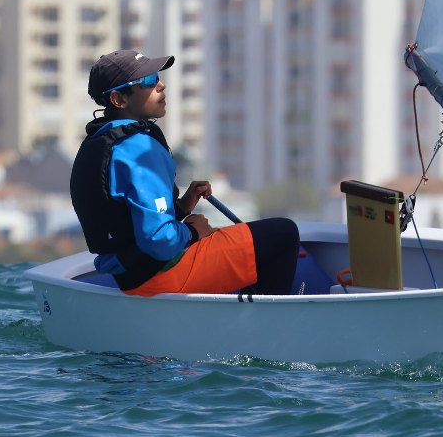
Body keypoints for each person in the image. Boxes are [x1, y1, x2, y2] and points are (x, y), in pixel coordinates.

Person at [70, 49, 299, 296]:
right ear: (118, 99)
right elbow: (159, 240)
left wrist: (182, 207)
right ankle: (266, 325)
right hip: (161, 275)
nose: (161, 84)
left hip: (132, 275)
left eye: (157, 76)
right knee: (283, 233)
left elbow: (128, 224)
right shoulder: (138, 148)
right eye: (148, 81)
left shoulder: (100, 142)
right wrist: (192, 231)